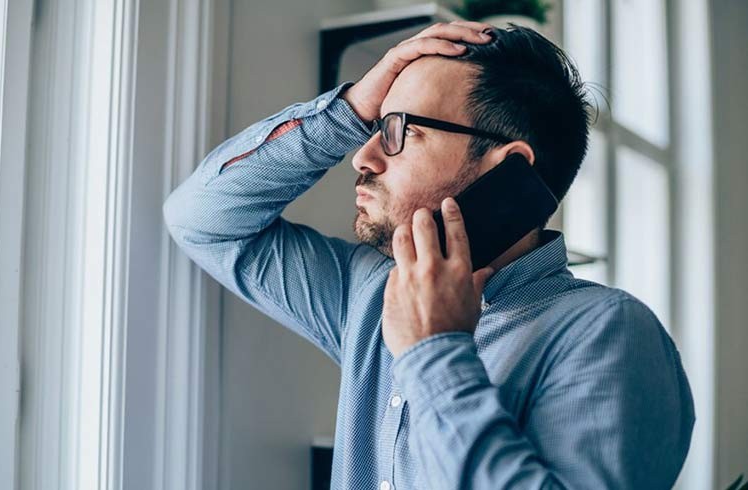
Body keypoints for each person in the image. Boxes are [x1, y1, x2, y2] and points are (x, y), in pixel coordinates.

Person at [163, 21, 694, 489]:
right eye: (373, 127)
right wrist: (346, 112)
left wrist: (435, 350)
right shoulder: (370, 294)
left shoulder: (608, 333)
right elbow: (204, 219)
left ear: (505, 166)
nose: (362, 157)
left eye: (399, 131)